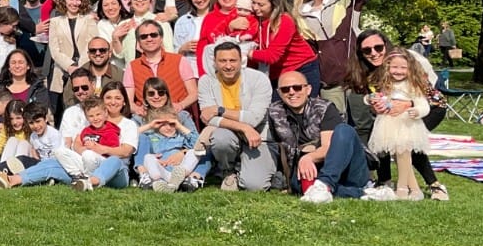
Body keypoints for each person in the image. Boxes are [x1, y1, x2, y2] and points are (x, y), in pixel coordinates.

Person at [266, 71, 370, 203]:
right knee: (302, 186)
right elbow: (279, 149)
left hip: (345, 169)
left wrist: (309, 157)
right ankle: (365, 193)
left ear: (308, 89)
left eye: (297, 87)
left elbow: (328, 147)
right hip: (309, 171)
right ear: (279, 92)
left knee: (344, 130)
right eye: (285, 89)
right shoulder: (274, 112)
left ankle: (325, 184)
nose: (292, 92)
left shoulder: (325, 108)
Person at [198, 42, 275, 191]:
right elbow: (208, 118)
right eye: (222, 61)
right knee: (221, 138)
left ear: (241, 61)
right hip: (229, 133)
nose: (228, 66)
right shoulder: (206, 81)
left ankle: (246, 167)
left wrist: (219, 110)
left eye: (233, 60)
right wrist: (244, 128)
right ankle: (228, 170)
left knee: (255, 186)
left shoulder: (259, 79)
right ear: (214, 62)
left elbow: (253, 119)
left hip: (258, 136)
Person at [366, 49, 432, 200]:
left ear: (410, 68)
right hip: (388, 123)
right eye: (395, 67)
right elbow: (375, 98)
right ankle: (415, 189)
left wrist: (417, 111)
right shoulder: (386, 84)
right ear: (388, 67)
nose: (398, 71)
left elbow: (424, 105)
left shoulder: (412, 85)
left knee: (404, 154)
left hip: (406, 124)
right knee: (399, 156)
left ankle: (402, 188)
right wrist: (371, 99)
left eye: (403, 68)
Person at [247, 0, 320, 91]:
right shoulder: (255, 18)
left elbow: (272, 56)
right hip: (275, 72)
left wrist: (245, 53)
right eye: (253, 2)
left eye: (261, 5)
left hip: (301, 69)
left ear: (274, 4)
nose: (255, 7)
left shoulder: (285, 21)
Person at [123, 21, 198, 116]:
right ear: (139, 42)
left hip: (177, 114)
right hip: (146, 117)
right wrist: (138, 110)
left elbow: (194, 93)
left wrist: (180, 105)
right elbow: (128, 100)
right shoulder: (132, 66)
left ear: (161, 38)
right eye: (144, 36)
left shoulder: (179, 60)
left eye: (153, 35)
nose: (149, 39)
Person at [47, 0, 97, 114]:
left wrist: (80, 67)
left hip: (85, 66)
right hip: (62, 71)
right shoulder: (55, 22)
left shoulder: (89, 20)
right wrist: (70, 66)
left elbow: (92, 44)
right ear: (64, 0)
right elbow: (54, 50)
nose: (74, 3)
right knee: (61, 111)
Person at [134, 106, 199, 192]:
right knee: (148, 157)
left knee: (194, 152)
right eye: (163, 124)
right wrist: (150, 125)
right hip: (161, 169)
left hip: (178, 169)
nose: (168, 128)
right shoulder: (151, 136)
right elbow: (130, 135)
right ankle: (159, 181)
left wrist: (180, 126)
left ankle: (178, 178)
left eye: (172, 124)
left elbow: (198, 143)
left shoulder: (180, 136)